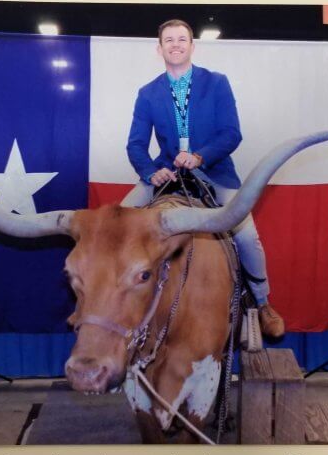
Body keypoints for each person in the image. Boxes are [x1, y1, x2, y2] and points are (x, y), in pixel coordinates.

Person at [122, 19, 285, 338]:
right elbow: (136, 144)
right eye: (169, 40)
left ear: (192, 45)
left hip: (215, 172)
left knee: (247, 236)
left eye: (182, 39)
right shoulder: (147, 93)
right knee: (120, 221)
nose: (176, 44)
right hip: (165, 173)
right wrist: (150, 172)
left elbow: (231, 133)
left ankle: (263, 302)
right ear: (159, 48)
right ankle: (120, 302)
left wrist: (199, 156)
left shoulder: (217, 83)